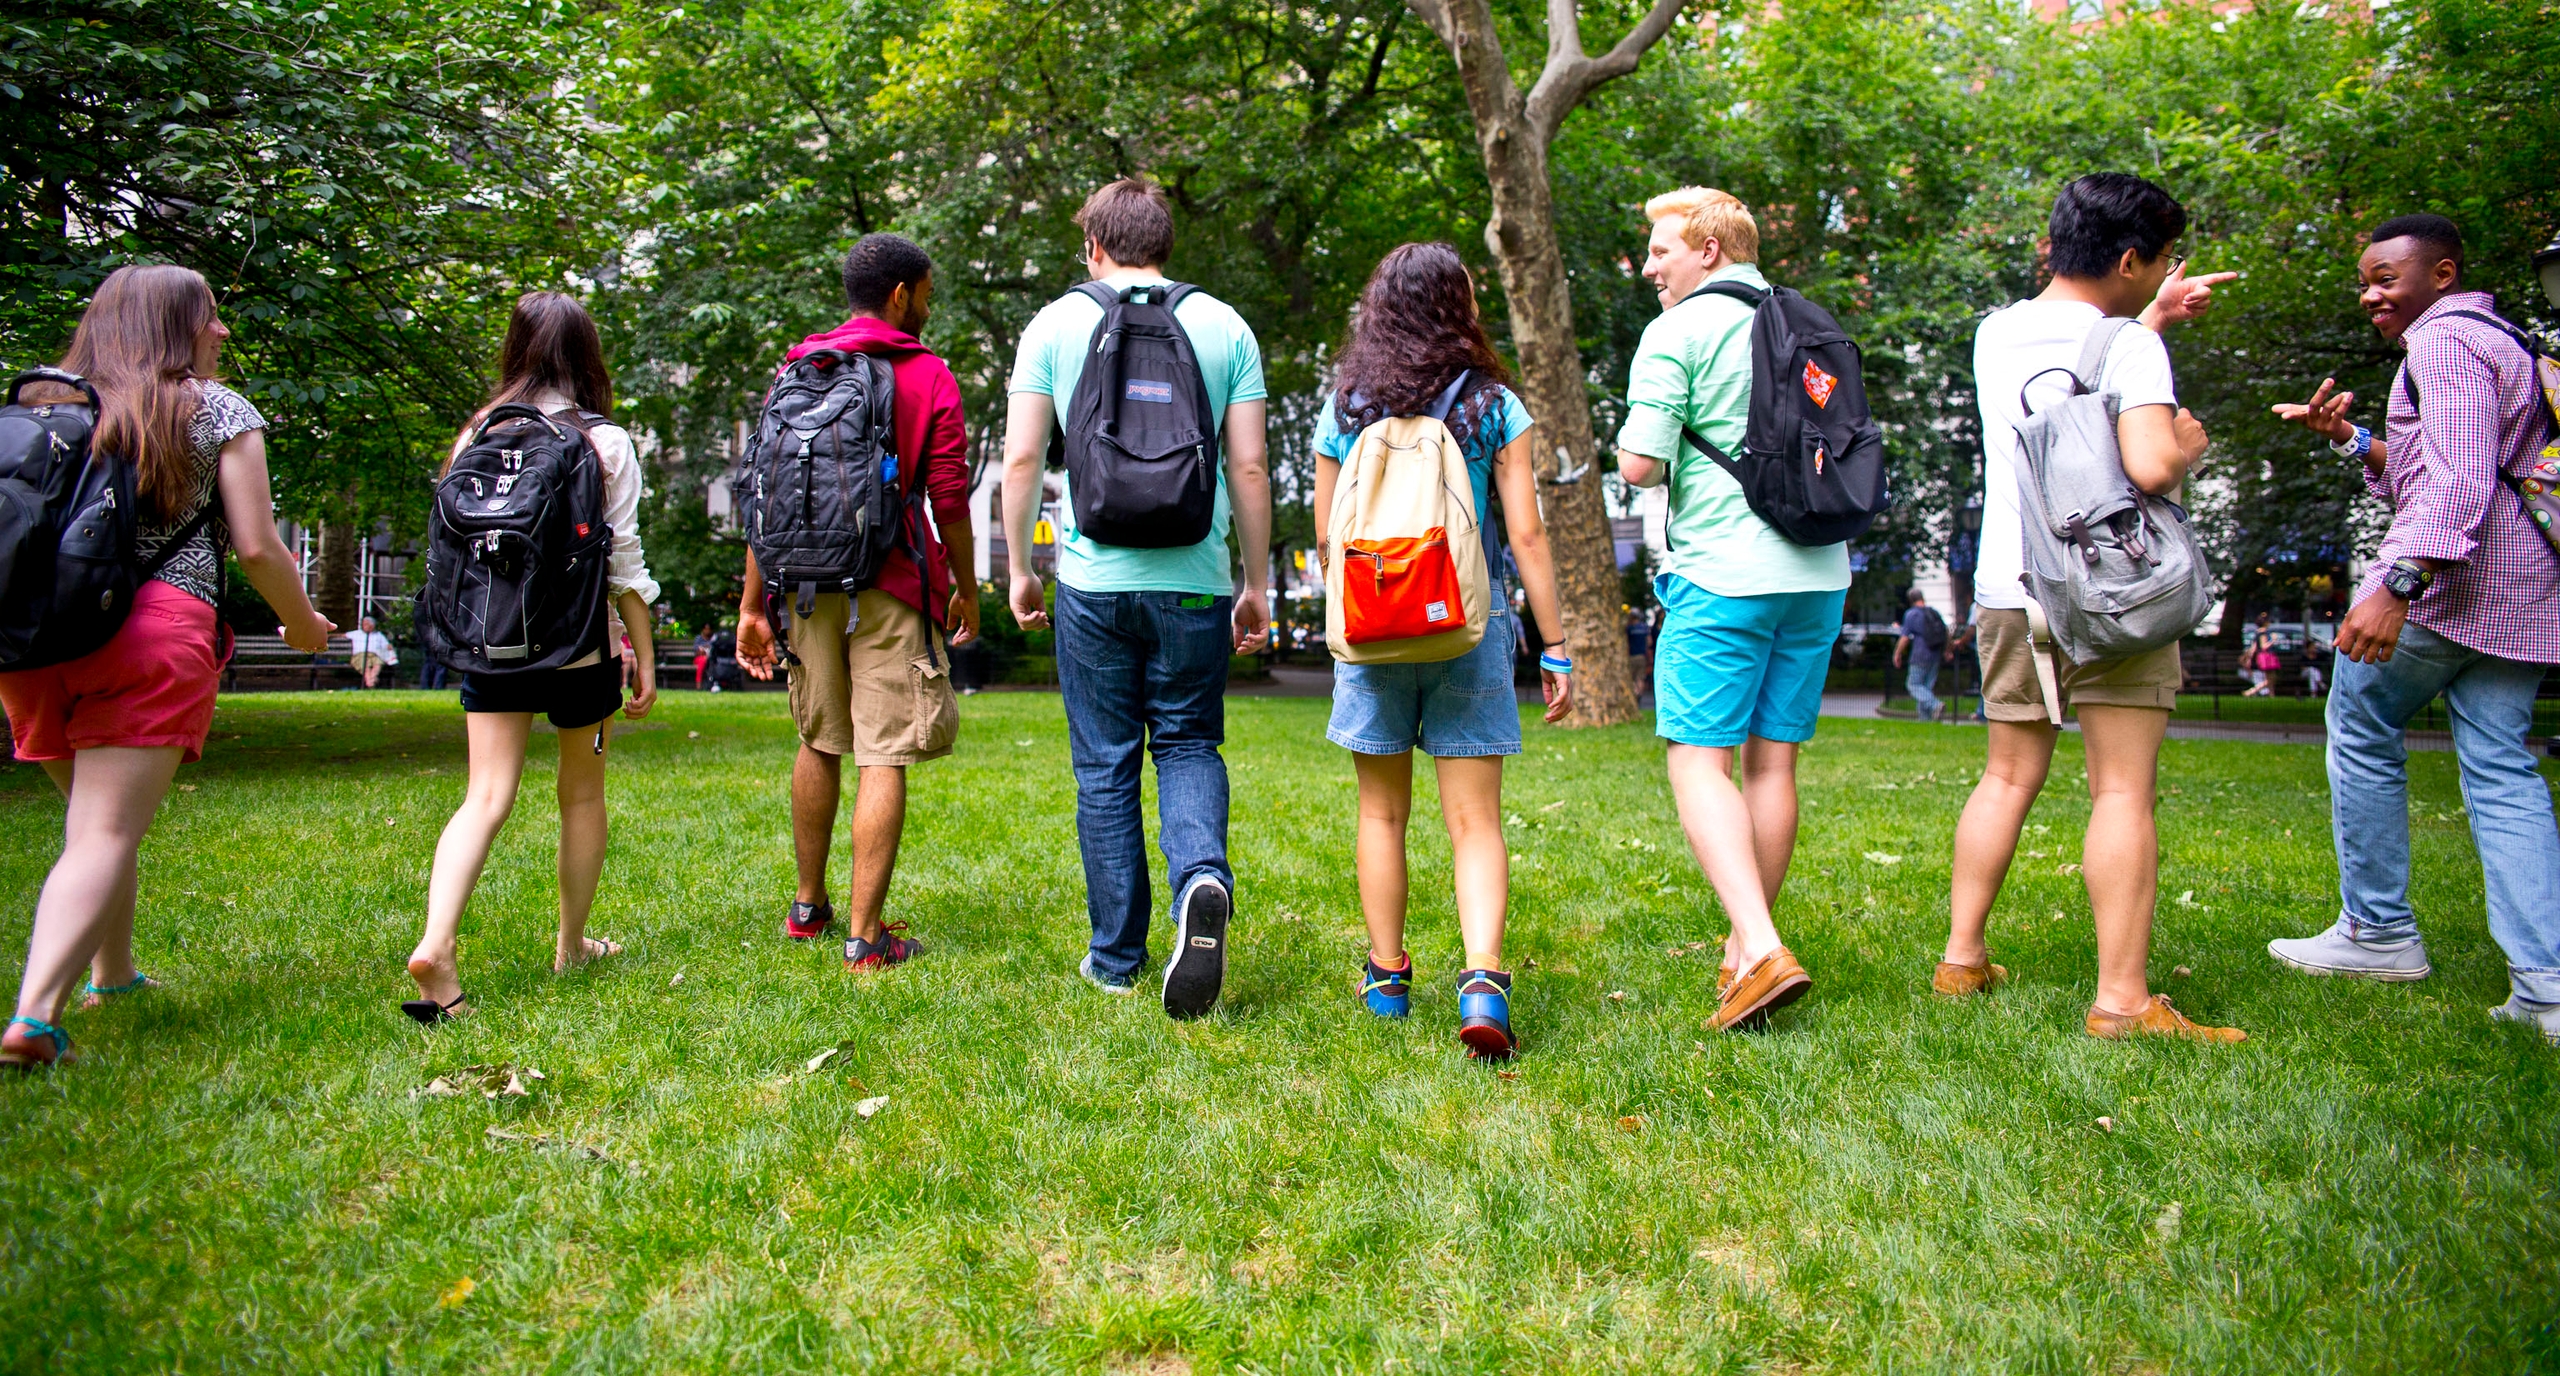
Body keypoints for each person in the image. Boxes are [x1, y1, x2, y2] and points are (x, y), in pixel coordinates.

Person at [0, 264, 335, 1069]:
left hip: (35, 643)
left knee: (95, 826)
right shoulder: (215, 409)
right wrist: (303, 625)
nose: (220, 331)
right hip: (152, 635)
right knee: (105, 832)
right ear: (172, 326)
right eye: (209, 317)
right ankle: (34, 1014)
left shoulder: (46, 406)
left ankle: (111, 977)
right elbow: (256, 545)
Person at [1934, 172, 2243, 1043]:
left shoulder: (1997, 333)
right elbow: (2147, 466)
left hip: (2010, 590)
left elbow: (2064, 376)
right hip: (2112, 593)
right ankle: (2123, 1001)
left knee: (2006, 774)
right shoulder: (2130, 349)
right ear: (2130, 257)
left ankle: (1962, 957)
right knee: (2120, 789)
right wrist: (2183, 443)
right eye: (2162, 258)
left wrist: (2153, 316)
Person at [2265, 214, 2560, 1044]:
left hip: (2460, 586)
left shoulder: (2443, 343)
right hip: (2527, 588)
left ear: (2442, 272)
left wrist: (2398, 584)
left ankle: (2379, 932)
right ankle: (2546, 988)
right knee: (2503, 767)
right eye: (2365, 280)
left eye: (2387, 277)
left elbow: (2461, 483)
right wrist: (2356, 440)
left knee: (2359, 716)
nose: (2371, 294)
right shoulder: (2504, 337)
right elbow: (2462, 464)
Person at [999, 178, 1272, 1018]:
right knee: (1188, 744)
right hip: (1193, 582)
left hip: (1092, 579)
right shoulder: (1224, 324)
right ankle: (1202, 880)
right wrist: (1254, 580)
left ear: (1094, 247)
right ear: (1165, 245)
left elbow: (1019, 462)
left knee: (1104, 766)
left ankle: (1115, 958)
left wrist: (1020, 567)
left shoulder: (1055, 322)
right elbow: (1251, 466)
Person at [1311, 242, 1572, 1059]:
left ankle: (1387, 978)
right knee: (1473, 820)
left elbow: (1327, 537)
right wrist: (1556, 647)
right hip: (1468, 625)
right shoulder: (1495, 406)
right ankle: (1484, 981)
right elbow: (1525, 532)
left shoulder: (1346, 404)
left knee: (1382, 812)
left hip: (1372, 629)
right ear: (1460, 307)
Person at [1615, 188, 1843, 1033]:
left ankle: (1760, 940)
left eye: (1661, 251)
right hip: (1819, 572)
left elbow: (1639, 466)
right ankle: (1745, 954)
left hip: (1724, 576)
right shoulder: (1809, 321)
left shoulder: (1677, 333)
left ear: (1708, 249)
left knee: (1697, 759)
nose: (1650, 268)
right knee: (1773, 763)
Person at [401, 291, 658, 1024]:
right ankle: (571, 943)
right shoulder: (604, 440)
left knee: (485, 796)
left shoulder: (476, 434)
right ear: (587, 354)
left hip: (492, 640)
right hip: (578, 647)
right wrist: (640, 653)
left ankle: (437, 942)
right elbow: (625, 565)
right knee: (580, 794)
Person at [735, 232, 977, 967]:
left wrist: (753, 603)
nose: (928, 308)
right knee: (881, 753)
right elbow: (948, 495)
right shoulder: (927, 373)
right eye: (927, 294)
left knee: (819, 740)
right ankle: (866, 938)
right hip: (890, 583)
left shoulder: (799, 368)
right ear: (902, 294)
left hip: (804, 585)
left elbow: (769, 493)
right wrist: (965, 586)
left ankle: (808, 908)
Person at [1894, 588, 1949, 722]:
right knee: (1926, 688)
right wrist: (1947, 650)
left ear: (1910, 600)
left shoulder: (1911, 614)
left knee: (1913, 685)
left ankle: (1935, 705)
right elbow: (1946, 632)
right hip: (1935, 654)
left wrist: (1897, 653)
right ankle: (1926, 720)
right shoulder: (1933, 612)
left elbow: (1905, 637)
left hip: (1919, 655)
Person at [346, 615, 397, 689]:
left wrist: (389, 646)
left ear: (372, 625)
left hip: (374, 655)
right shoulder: (356, 633)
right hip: (359, 655)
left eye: (366, 624)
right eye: (363, 624)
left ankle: (370, 681)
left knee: (378, 663)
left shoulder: (378, 635)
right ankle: (371, 683)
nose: (364, 626)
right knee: (365, 666)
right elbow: (342, 635)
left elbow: (387, 645)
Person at [2243, 612, 2279, 696]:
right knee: (2271, 678)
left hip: (2261, 657)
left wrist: (2249, 658)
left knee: (2270, 678)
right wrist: (2273, 640)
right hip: (2266, 657)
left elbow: (2253, 647)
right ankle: (2251, 692)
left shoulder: (2257, 632)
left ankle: (2271, 695)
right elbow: (2263, 646)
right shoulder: (2263, 633)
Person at [692, 627, 713, 691]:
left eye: (709, 629)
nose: (707, 631)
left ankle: (712, 685)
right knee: (702, 661)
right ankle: (698, 685)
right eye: (706, 629)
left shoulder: (713, 638)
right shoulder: (698, 638)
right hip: (699, 659)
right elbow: (696, 650)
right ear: (703, 629)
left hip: (710, 658)